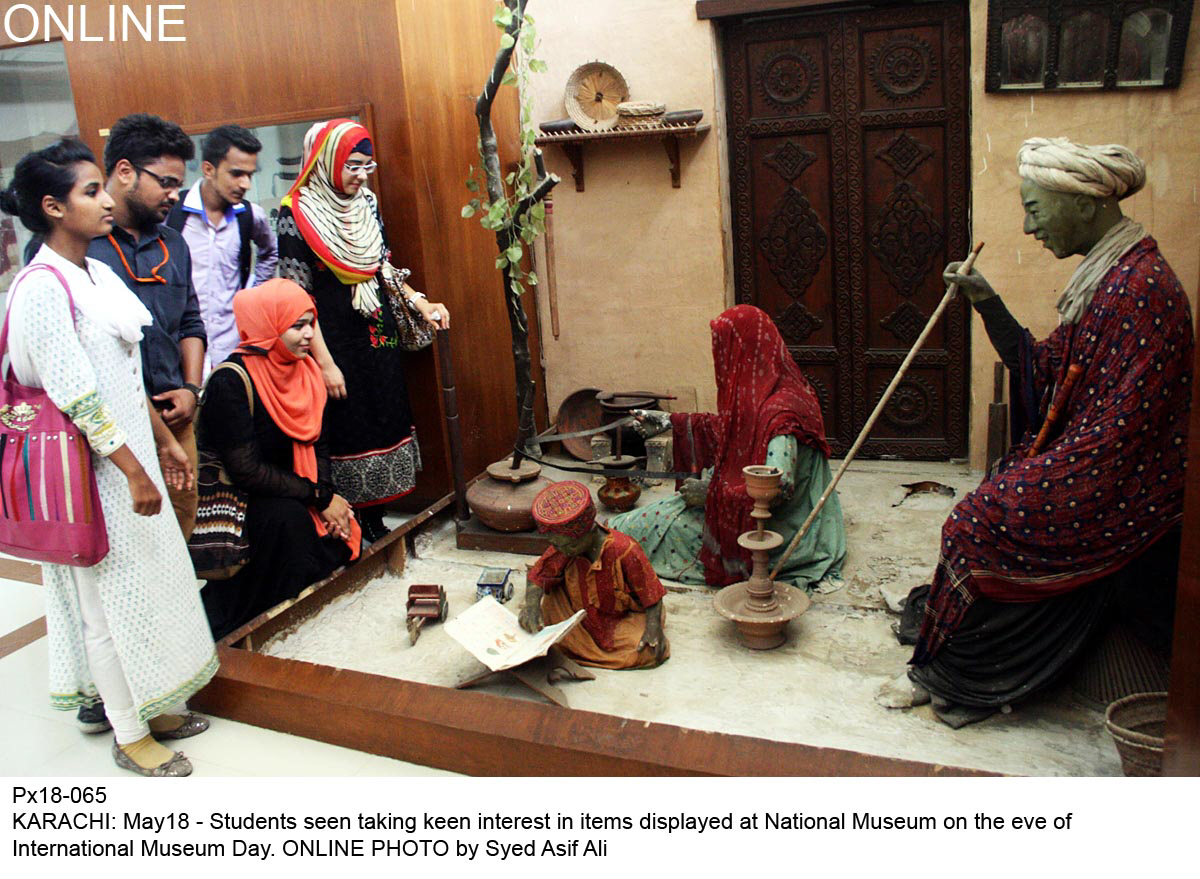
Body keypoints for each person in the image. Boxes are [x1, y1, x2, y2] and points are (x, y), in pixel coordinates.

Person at [879, 137, 1193, 727]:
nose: (1028, 227)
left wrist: (1034, 478)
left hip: (1133, 482)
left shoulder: (1141, 288)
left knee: (979, 520)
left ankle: (960, 675)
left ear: (1084, 203)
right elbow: (1047, 371)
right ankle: (953, 638)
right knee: (992, 497)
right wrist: (986, 300)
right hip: (1101, 457)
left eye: (1034, 209)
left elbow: (1122, 434)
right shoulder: (1108, 279)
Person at [0, 139, 217, 776]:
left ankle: (156, 701)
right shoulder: (41, 287)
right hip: (92, 475)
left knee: (151, 589)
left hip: (130, 461)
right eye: (90, 191)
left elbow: (125, 375)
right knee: (106, 608)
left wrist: (165, 442)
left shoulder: (95, 273)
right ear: (52, 207)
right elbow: (78, 398)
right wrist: (131, 470)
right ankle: (130, 734)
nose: (104, 201)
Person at [277, 119, 448, 544]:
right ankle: (352, 522)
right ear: (327, 160)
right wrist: (326, 363)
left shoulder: (366, 204)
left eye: (367, 167)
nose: (360, 175)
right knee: (346, 425)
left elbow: (383, 265)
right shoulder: (295, 212)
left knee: (386, 415)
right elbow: (298, 297)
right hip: (332, 338)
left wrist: (420, 302)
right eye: (352, 165)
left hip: (377, 331)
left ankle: (378, 518)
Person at [611, 305, 845, 590]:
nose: (720, 359)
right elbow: (736, 428)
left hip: (779, 527)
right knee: (639, 521)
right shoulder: (773, 388)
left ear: (744, 350)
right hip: (739, 502)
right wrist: (669, 421)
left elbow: (778, 487)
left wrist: (710, 494)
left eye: (725, 348)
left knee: (636, 530)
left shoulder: (782, 413)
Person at [198, 279, 362, 640]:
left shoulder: (304, 372)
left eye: (310, 324)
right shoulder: (231, 381)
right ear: (267, 325)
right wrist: (318, 499)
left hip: (293, 488)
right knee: (289, 527)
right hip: (246, 498)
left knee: (343, 528)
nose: (308, 336)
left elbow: (319, 446)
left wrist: (328, 498)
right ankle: (243, 627)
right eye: (297, 326)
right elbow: (246, 469)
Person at [87, 114, 205, 541]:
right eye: (166, 182)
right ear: (124, 172)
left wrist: (191, 390)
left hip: (177, 419)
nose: (175, 195)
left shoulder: (173, 241)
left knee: (180, 529)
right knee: (128, 540)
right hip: (113, 432)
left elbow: (191, 319)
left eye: (178, 184)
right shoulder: (82, 244)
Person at [165, 124, 279, 373]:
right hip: (182, 354)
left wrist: (252, 293)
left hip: (234, 350)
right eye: (236, 174)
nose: (245, 183)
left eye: (250, 175)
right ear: (208, 169)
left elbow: (270, 252)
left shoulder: (250, 215)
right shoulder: (173, 214)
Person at [519, 481, 668, 670]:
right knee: (543, 613)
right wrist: (531, 606)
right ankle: (570, 648)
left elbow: (652, 594)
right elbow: (538, 575)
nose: (560, 550)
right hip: (576, 613)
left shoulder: (625, 549)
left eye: (568, 545)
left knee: (646, 652)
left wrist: (653, 628)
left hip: (617, 619)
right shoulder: (565, 546)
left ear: (590, 531)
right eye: (555, 544)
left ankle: (575, 652)